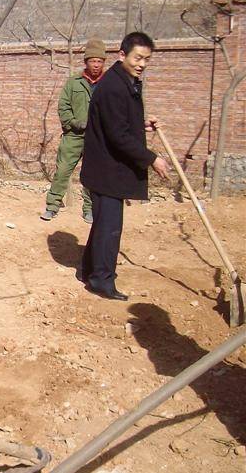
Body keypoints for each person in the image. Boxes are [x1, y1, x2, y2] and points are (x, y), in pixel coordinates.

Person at [79, 32, 170, 301]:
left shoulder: (124, 82)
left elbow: (116, 124)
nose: (142, 63)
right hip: (106, 169)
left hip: (106, 167)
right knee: (110, 227)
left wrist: (141, 126)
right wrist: (152, 158)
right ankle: (101, 281)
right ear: (122, 55)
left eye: (146, 59)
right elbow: (117, 136)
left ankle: (88, 270)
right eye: (137, 57)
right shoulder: (114, 87)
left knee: (103, 224)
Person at [41, 38, 107, 223]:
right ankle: (52, 206)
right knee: (62, 170)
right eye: (92, 61)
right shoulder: (74, 82)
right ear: (86, 62)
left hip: (98, 139)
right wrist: (75, 123)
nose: (96, 65)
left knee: (92, 175)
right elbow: (63, 107)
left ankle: (89, 209)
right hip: (74, 136)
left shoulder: (108, 83)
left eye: (99, 61)